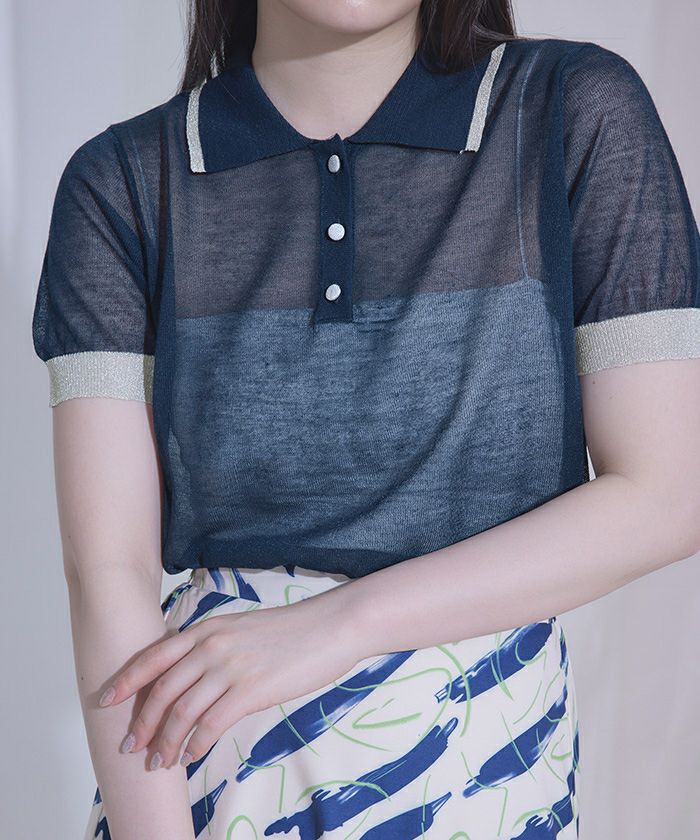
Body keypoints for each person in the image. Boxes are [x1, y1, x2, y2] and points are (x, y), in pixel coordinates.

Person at [30, 0, 700, 838]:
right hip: (203, 774)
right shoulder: (125, 179)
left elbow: (669, 493)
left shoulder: (569, 108)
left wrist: (342, 625)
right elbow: (108, 571)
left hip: (481, 762)